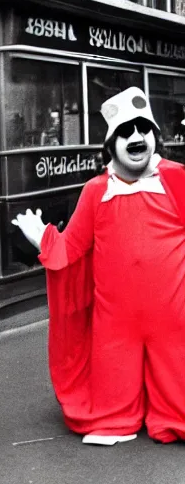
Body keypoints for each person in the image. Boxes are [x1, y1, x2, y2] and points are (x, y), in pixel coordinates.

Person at [13, 86, 185, 446]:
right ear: (111, 144)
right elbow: (71, 248)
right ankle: (121, 414)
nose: (136, 137)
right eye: (125, 131)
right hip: (115, 321)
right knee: (109, 410)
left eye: (142, 129)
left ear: (155, 136)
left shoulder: (177, 179)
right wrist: (42, 237)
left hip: (173, 316)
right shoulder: (95, 190)